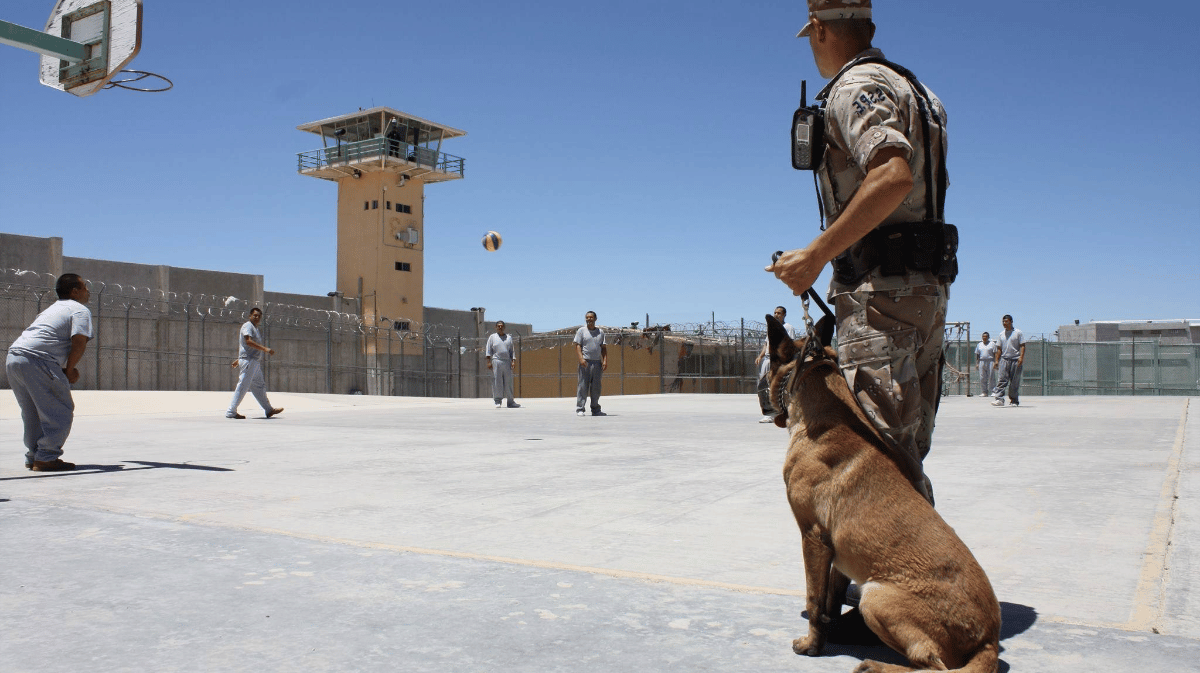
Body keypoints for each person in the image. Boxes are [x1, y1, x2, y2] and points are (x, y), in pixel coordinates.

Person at [766, 0, 953, 506]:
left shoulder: (855, 89)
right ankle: (922, 572)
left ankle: (907, 577)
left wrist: (815, 256)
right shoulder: (918, 92)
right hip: (923, 288)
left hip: (881, 296)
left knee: (876, 453)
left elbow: (893, 175)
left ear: (821, 30)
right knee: (905, 451)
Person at [6, 273, 93, 471]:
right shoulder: (79, 310)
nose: (88, 290)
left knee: (32, 412)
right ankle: (45, 457)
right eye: (85, 286)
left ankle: (34, 455)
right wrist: (69, 371)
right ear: (75, 291)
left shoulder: (51, 309)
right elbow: (79, 341)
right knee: (60, 410)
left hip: (15, 357)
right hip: (39, 360)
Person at [226, 307, 283, 419]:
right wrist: (265, 349)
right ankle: (231, 411)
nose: (257, 317)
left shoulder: (255, 328)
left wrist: (238, 360)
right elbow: (248, 342)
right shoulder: (248, 326)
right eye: (255, 315)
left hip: (253, 362)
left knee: (259, 386)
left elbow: (246, 347)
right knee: (243, 386)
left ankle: (268, 410)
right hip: (249, 362)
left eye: (259, 316)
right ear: (250, 316)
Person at [755, 306, 798, 422]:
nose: (776, 315)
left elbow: (790, 344)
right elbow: (766, 344)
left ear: (784, 315)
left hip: (779, 360)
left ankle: (778, 412)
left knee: (777, 385)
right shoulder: (771, 328)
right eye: (775, 312)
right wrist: (760, 356)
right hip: (768, 359)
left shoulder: (788, 327)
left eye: (779, 313)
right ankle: (768, 412)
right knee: (764, 385)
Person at [573, 311, 607, 416]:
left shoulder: (600, 332)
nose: (589, 319)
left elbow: (603, 348)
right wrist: (581, 359)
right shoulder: (581, 331)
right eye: (587, 317)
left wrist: (605, 360)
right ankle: (580, 409)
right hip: (585, 363)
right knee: (583, 386)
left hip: (597, 363)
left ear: (595, 319)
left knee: (596, 387)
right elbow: (577, 345)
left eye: (591, 317)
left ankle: (596, 409)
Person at [992, 315, 1025, 407]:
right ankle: (999, 399)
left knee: (1014, 382)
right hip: (1004, 360)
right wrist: (996, 361)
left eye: (1006, 322)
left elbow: (1022, 345)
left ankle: (1014, 401)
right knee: (1001, 380)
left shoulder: (1018, 333)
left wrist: (1021, 357)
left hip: (1015, 360)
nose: (1004, 323)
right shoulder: (1001, 334)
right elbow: (999, 348)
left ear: (1011, 322)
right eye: (1003, 322)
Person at [485, 320, 520, 408]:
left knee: (508, 382)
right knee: (497, 382)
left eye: (501, 326)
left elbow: (512, 351)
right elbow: (488, 350)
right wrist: (489, 361)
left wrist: (513, 361)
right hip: (496, 361)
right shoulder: (492, 337)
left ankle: (510, 402)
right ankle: (498, 401)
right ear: (496, 327)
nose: (500, 327)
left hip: (507, 362)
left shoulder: (509, 337)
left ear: (504, 327)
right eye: (498, 326)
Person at [975, 332, 998, 398]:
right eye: (983, 336)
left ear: (988, 337)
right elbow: (977, 354)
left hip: (990, 361)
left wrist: (995, 362)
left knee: (991, 376)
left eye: (986, 336)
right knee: (982, 377)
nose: (984, 338)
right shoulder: (979, 344)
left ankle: (993, 391)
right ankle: (984, 392)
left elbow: (995, 353)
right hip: (982, 361)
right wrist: (977, 363)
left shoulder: (992, 344)